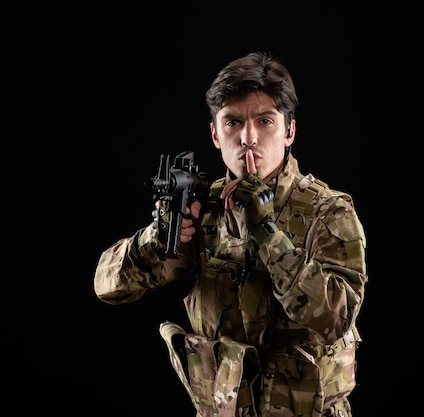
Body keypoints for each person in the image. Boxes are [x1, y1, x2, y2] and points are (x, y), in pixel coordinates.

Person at [93, 51, 368, 417]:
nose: (248, 138)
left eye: (265, 121)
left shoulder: (328, 212)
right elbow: (108, 286)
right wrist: (156, 241)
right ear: (215, 135)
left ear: (290, 131)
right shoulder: (203, 211)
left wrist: (267, 233)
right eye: (233, 123)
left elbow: (336, 318)